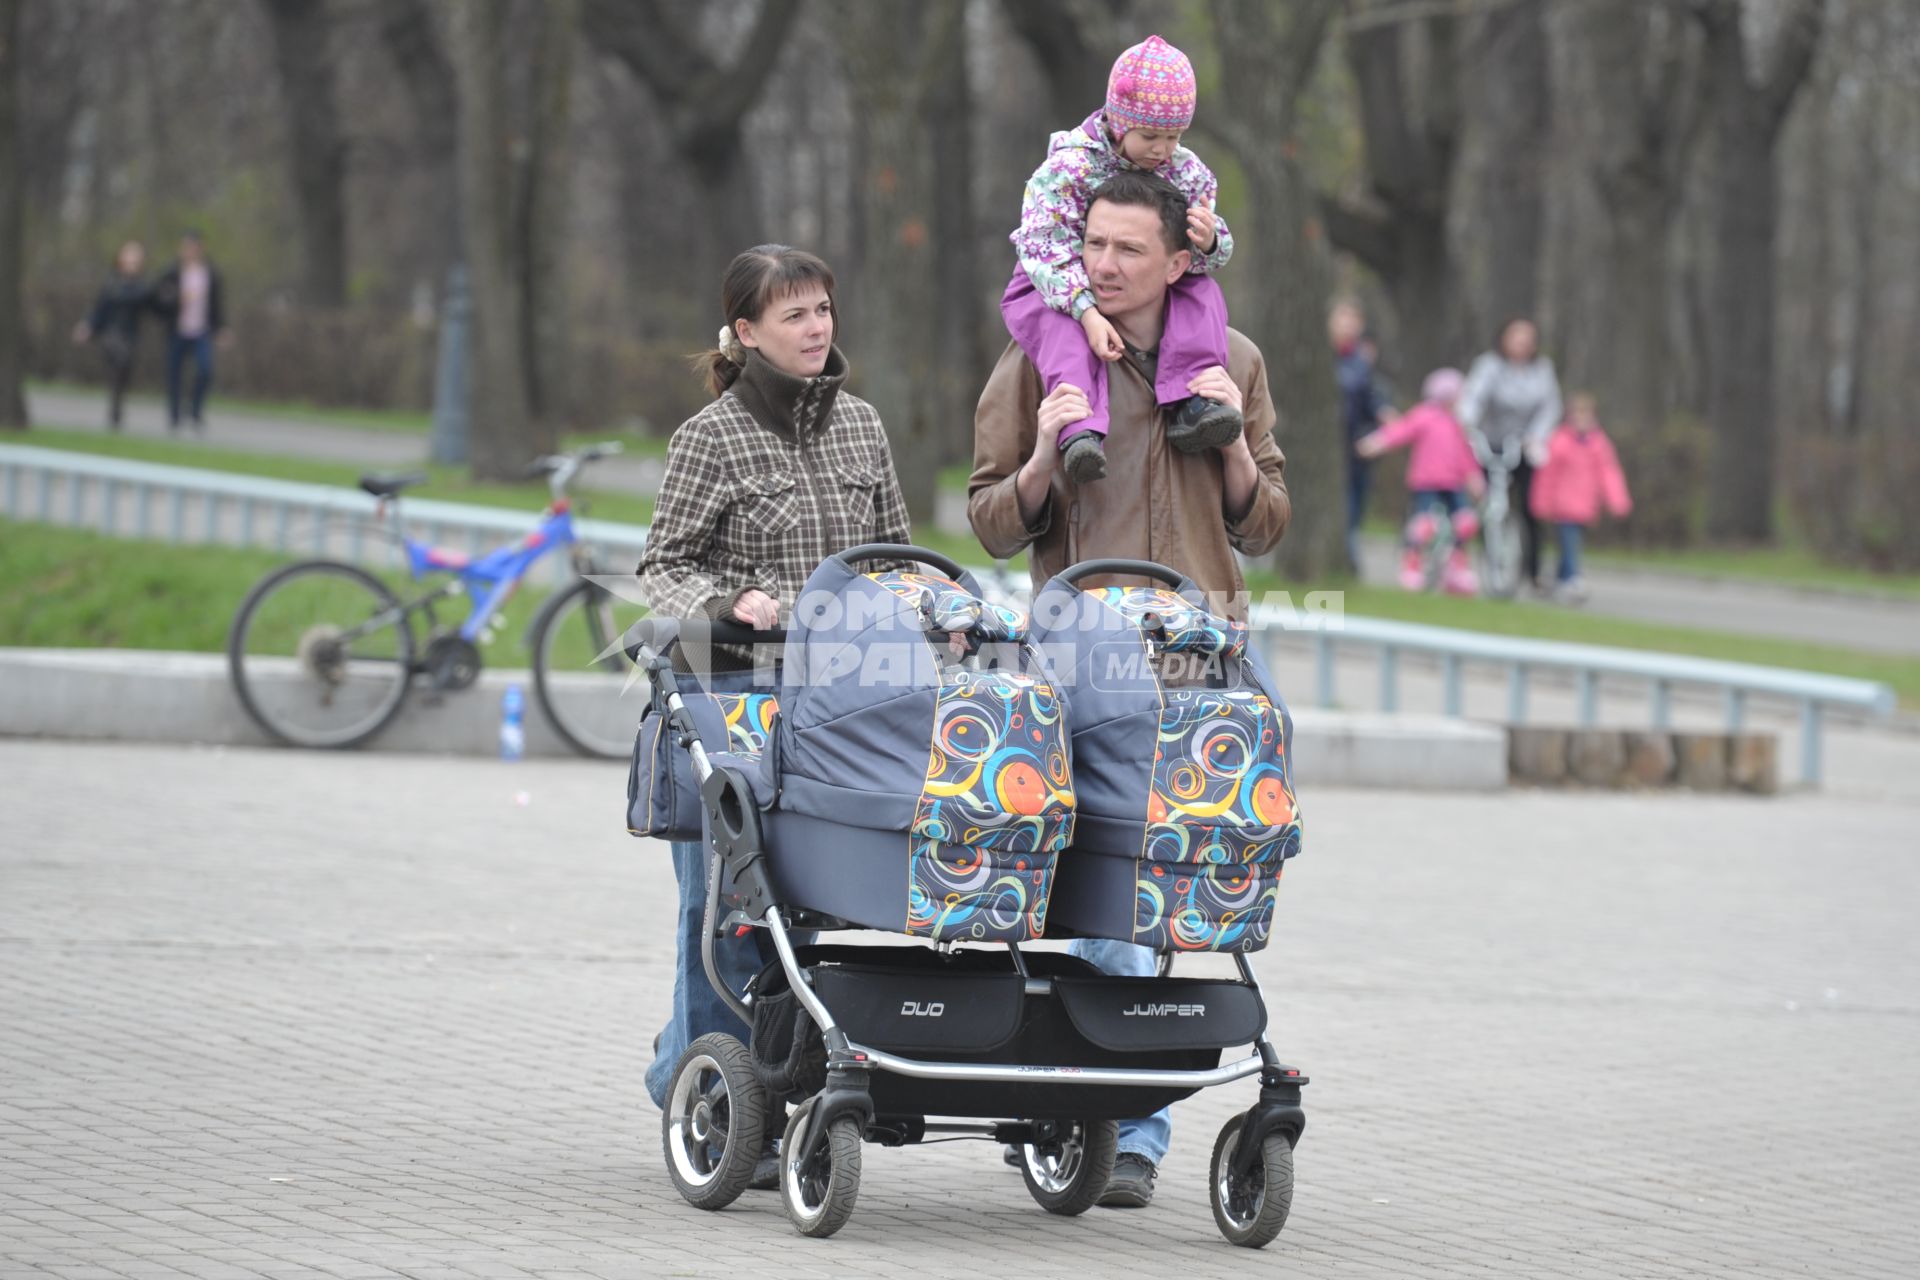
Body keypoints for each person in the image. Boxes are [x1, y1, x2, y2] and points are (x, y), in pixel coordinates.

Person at [971, 170, 1290, 1209]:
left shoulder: (1231, 358)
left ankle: (1114, 1108)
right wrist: (1038, 460)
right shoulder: (1039, 354)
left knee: (1180, 884)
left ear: (1179, 260)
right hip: (1084, 663)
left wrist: (1235, 433)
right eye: (1093, 245)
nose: (1102, 267)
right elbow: (990, 519)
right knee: (1108, 883)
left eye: (1126, 251)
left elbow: (1267, 519)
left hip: (1200, 662)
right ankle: (1113, 1121)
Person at [635, 244, 912, 1186]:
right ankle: (718, 1104)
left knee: (806, 908)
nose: (817, 328)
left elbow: (896, 560)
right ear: (746, 332)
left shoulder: (864, 428)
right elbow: (661, 568)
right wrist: (727, 604)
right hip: (735, 702)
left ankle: (703, 1070)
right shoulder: (709, 438)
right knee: (721, 909)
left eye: (824, 309)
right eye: (795, 315)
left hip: (846, 709)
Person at [1002, 34, 1239, 486]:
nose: (1161, 150)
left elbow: (1205, 255)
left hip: (1147, 277)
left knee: (1201, 294)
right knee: (1063, 333)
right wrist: (1086, 310)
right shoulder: (1069, 168)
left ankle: (1194, 400)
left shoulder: (1185, 171)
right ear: (1116, 120)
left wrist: (1210, 240)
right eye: (1150, 136)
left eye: (1173, 136)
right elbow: (1041, 243)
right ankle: (1079, 431)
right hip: (1055, 277)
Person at [1357, 368, 1485, 595]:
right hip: (1426, 481)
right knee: (1424, 525)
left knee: (1465, 522)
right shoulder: (1424, 416)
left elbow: (1464, 454)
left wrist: (1473, 476)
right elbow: (1401, 431)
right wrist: (1377, 442)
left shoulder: (1456, 423)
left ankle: (1455, 567)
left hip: (1453, 483)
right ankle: (1412, 563)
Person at [1456, 318, 1562, 593]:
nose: (1522, 344)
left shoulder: (1541, 370)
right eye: (1516, 337)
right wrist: (1466, 425)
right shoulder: (1490, 366)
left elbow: (1550, 407)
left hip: (1524, 445)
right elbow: (1473, 397)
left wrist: (1536, 437)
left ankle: (1534, 571)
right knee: (1479, 500)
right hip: (1487, 442)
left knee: (1530, 507)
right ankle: (1467, 564)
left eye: (1527, 338)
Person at [1529, 392, 1631, 602]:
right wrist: (1541, 502)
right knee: (1570, 542)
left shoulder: (1599, 444)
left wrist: (1617, 500)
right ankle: (1573, 579)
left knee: (1569, 544)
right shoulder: (1560, 441)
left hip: (1585, 506)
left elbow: (1609, 474)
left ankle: (1556, 578)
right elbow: (1547, 475)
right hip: (1562, 505)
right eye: (1578, 414)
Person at [149, 231, 227, 432]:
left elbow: (217, 304)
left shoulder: (210, 273)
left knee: (204, 370)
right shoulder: (172, 272)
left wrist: (221, 328)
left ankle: (195, 410)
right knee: (174, 373)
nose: (190, 251)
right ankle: (174, 415)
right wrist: (177, 301)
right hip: (177, 330)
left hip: (201, 330)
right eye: (186, 247)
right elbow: (158, 300)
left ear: (201, 249)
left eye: (194, 247)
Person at [1331, 301, 1389, 569]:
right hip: (1326, 448)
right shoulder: (1319, 358)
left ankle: (1346, 556)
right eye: (1343, 318)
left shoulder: (1362, 362)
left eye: (1354, 320)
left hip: (1353, 447)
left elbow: (1370, 399)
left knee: (1353, 505)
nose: (1348, 325)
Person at [70, 241, 150, 430]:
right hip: (111, 333)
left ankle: (116, 408)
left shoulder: (143, 286)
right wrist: (87, 325)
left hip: (130, 335)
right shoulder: (111, 283)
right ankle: (115, 409)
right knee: (120, 359)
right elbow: (99, 309)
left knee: (122, 373)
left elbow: (154, 306)